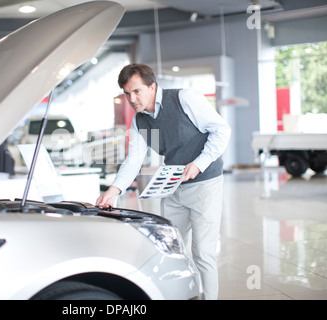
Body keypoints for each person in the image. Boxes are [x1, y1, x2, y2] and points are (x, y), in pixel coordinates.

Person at [96, 63, 231, 300]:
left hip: (205, 184)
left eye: (137, 91)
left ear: (152, 86)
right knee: (171, 250)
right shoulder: (140, 121)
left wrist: (199, 163)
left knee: (203, 252)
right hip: (172, 187)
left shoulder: (183, 99)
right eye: (127, 93)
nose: (132, 98)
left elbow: (221, 131)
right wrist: (114, 190)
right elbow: (134, 159)